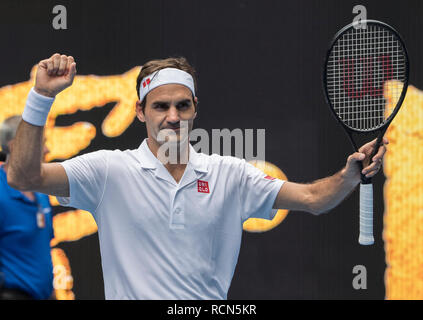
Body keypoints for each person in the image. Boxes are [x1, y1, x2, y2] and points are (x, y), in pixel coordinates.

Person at [7, 53, 386, 299]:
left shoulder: (231, 174)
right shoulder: (107, 170)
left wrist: (348, 175)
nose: (172, 116)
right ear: (140, 111)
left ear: (194, 109)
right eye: (160, 106)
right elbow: (24, 177)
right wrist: (41, 96)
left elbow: (312, 199)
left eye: (181, 105)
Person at [0, 115, 54, 300]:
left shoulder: (41, 190)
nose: (47, 150)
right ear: (16, 147)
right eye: (41, 143)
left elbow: (42, 249)